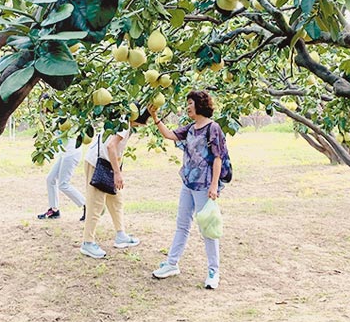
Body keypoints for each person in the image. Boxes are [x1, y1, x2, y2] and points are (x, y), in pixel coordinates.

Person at [149, 90, 228, 290]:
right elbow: (170, 135)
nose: (187, 107)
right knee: (182, 225)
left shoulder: (213, 128)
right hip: (188, 184)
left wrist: (214, 186)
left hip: (204, 186)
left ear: (200, 105)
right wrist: (155, 117)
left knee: (207, 229)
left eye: (190, 103)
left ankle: (213, 271)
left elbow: (218, 158)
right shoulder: (191, 128)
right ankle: (172, 263)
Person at [80, 110, 150, 259]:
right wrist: (117, 173)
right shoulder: (124, 123)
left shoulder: (123, 120)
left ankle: (121, 235)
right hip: (98, 164)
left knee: (116, 200)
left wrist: (117, 170)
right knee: (96, 204)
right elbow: (111, 146)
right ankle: (87, 242)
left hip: (108, 164)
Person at [37, 136, 86, 221]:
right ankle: (54, 210)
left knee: (63, 184)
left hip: (71, 153)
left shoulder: (68, 127)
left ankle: (87, 204)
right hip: (64, 153)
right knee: (50, 179)